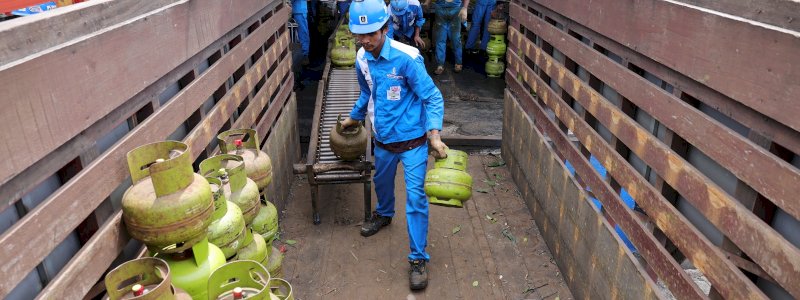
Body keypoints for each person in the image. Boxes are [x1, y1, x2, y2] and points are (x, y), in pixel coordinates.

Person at [341, 0, 448, 290]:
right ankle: (385, 214)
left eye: (372, 34)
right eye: (359, 35)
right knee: (382, 183)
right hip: (384, 141)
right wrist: (354, 117)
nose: (365, 40)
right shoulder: (361, 58)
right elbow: (367, 94)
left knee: (415, 199)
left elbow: (432, 97)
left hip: (413, 142)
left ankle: (417, 258)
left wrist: (434, 135)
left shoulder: (407, 58)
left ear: (386, 29)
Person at [431, 0, 469, 74]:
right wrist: (427, 2)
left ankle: (458, 63)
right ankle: (440, 65)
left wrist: (465, 8)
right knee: (440, 38)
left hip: (455, 10)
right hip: (440, 9)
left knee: (456, 39)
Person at [291, 0, 310, 65]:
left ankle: (304, 56)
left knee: (302, 33)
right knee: (299, 34)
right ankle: (303, 55)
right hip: (297, 9)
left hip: (299, 10)